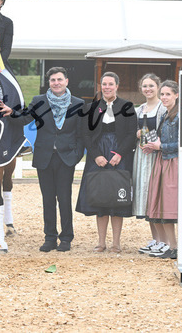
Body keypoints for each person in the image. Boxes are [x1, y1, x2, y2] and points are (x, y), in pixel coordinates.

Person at [0, 67, 85, 252]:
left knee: (64, 199)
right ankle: (50, 238)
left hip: (66, 158)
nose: (56, 83)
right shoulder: (39, 101)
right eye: (53, 80)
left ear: (66, 81)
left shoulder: (78, 104)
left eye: (59, 79)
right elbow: (24, 118)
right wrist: (11, 112)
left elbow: (81, 134)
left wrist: (76, 155)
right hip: (44, 157)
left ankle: (66, 238)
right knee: (48, 199)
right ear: (49, 82)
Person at [76, 71, 136, 253]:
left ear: (117, 86)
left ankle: (116, 243)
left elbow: (131, 134)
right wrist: (95, 155)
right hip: (98, 154)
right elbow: (85, 134)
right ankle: (101, 242)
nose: (107, 87)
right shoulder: (91, 108)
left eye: (111, 84)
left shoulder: (127, 106)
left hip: (120, 155)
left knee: (117, 198)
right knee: (100, 197)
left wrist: (120, 154)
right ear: (100, 86)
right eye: (104, 84)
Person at [131, 74, 167, 254]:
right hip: (142, 156)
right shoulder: (139, 109)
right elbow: (133, 131)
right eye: (145, 86)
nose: (148, 89)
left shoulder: (163, 108)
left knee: (157, 197)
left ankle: (166, 241)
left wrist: (157, 144)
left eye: (151, 85)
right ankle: (156, 239)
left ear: (158, 87)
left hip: (157, 156)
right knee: (146, 197)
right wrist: (137, 133)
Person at [143, 80, 179, 259]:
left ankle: (176, 247)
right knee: (162, 205)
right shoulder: (166, 114)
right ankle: (172, 246)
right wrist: (152, 146)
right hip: (162, 161)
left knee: (171, 205)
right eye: (162, 94)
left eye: (168, 94)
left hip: (173, 163)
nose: (164, 97)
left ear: (176, 95)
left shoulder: (180, 116)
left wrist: (161, 146)